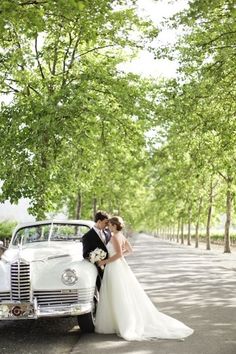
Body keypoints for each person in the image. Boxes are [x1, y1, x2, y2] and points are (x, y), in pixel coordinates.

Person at [95, 216, 194, 341]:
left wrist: (104, 261)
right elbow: (130, 250)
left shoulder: (115, 237)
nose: (108, 227)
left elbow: (120, 254)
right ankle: (119, 321)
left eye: (109, 225)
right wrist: (116, 257)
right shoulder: (121, 236)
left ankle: (121, 323)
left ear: (114, 226)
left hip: (114, 267)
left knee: (117, 293)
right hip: (119, 266)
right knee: (121, 293)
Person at [82, 210, 111, 291]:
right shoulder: (87, 237)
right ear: (99, 221)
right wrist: (97, 259)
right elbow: (86, 254)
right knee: (102, 290)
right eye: (105, 223)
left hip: (111, 266)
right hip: (99, 269)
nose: (107, 225)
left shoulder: (108, 232)